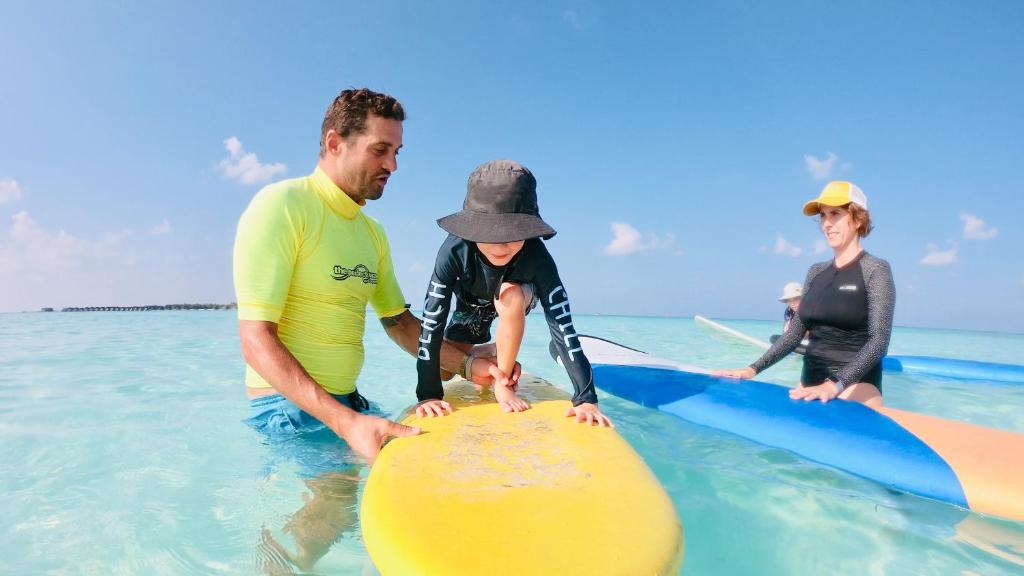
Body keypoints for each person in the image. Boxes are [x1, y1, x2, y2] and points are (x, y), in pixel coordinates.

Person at [233, 88, 515, 571]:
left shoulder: (371, 233)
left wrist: (471, 364)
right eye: (380, 150)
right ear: (335, 142)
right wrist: (346, 424)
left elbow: (401, 324)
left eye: (397, 152)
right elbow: (255, 338)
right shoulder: (281, 205)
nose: (393, 165)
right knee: (340, 501)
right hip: (290, 409)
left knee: (424, 466)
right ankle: (274, 566)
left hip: (349, 403)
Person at [412, 159, 612, 427]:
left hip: (516, 297)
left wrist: (586, 398)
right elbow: (431, 322)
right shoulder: (453, 252)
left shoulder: (537, 257)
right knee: (444, 372)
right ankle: (493, 350)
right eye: (488, 231)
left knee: (510, 294)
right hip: (472, 305)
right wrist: (428, 395)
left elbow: (563, 328)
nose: (500, 243)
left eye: (513, 231)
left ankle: (503, 382)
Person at [716, 181, 895, 407]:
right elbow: (794, 334)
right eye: (822, 216)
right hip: (810, 385)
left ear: (858, 219)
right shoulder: (816, 272)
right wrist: (752, 369)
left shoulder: (875, 269)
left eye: (835, 214)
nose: (826, 224)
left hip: (854, 387)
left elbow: (879, 341)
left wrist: (835, 384)